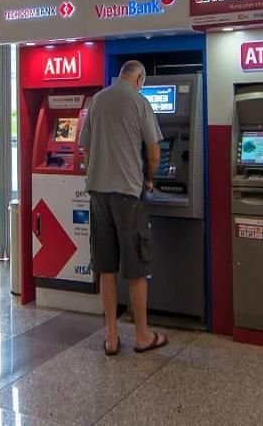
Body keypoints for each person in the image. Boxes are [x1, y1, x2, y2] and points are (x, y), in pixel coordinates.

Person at [78, 60, 168, 356]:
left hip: (98, 195)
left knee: (106, 268)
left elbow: (86, 149)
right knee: (136, 269)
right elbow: (154, 152)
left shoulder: (97, 101)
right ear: (139, 78)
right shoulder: (139, 103)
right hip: (129, 195)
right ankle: (142, 336)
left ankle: (112, 338)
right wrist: (150, 178)